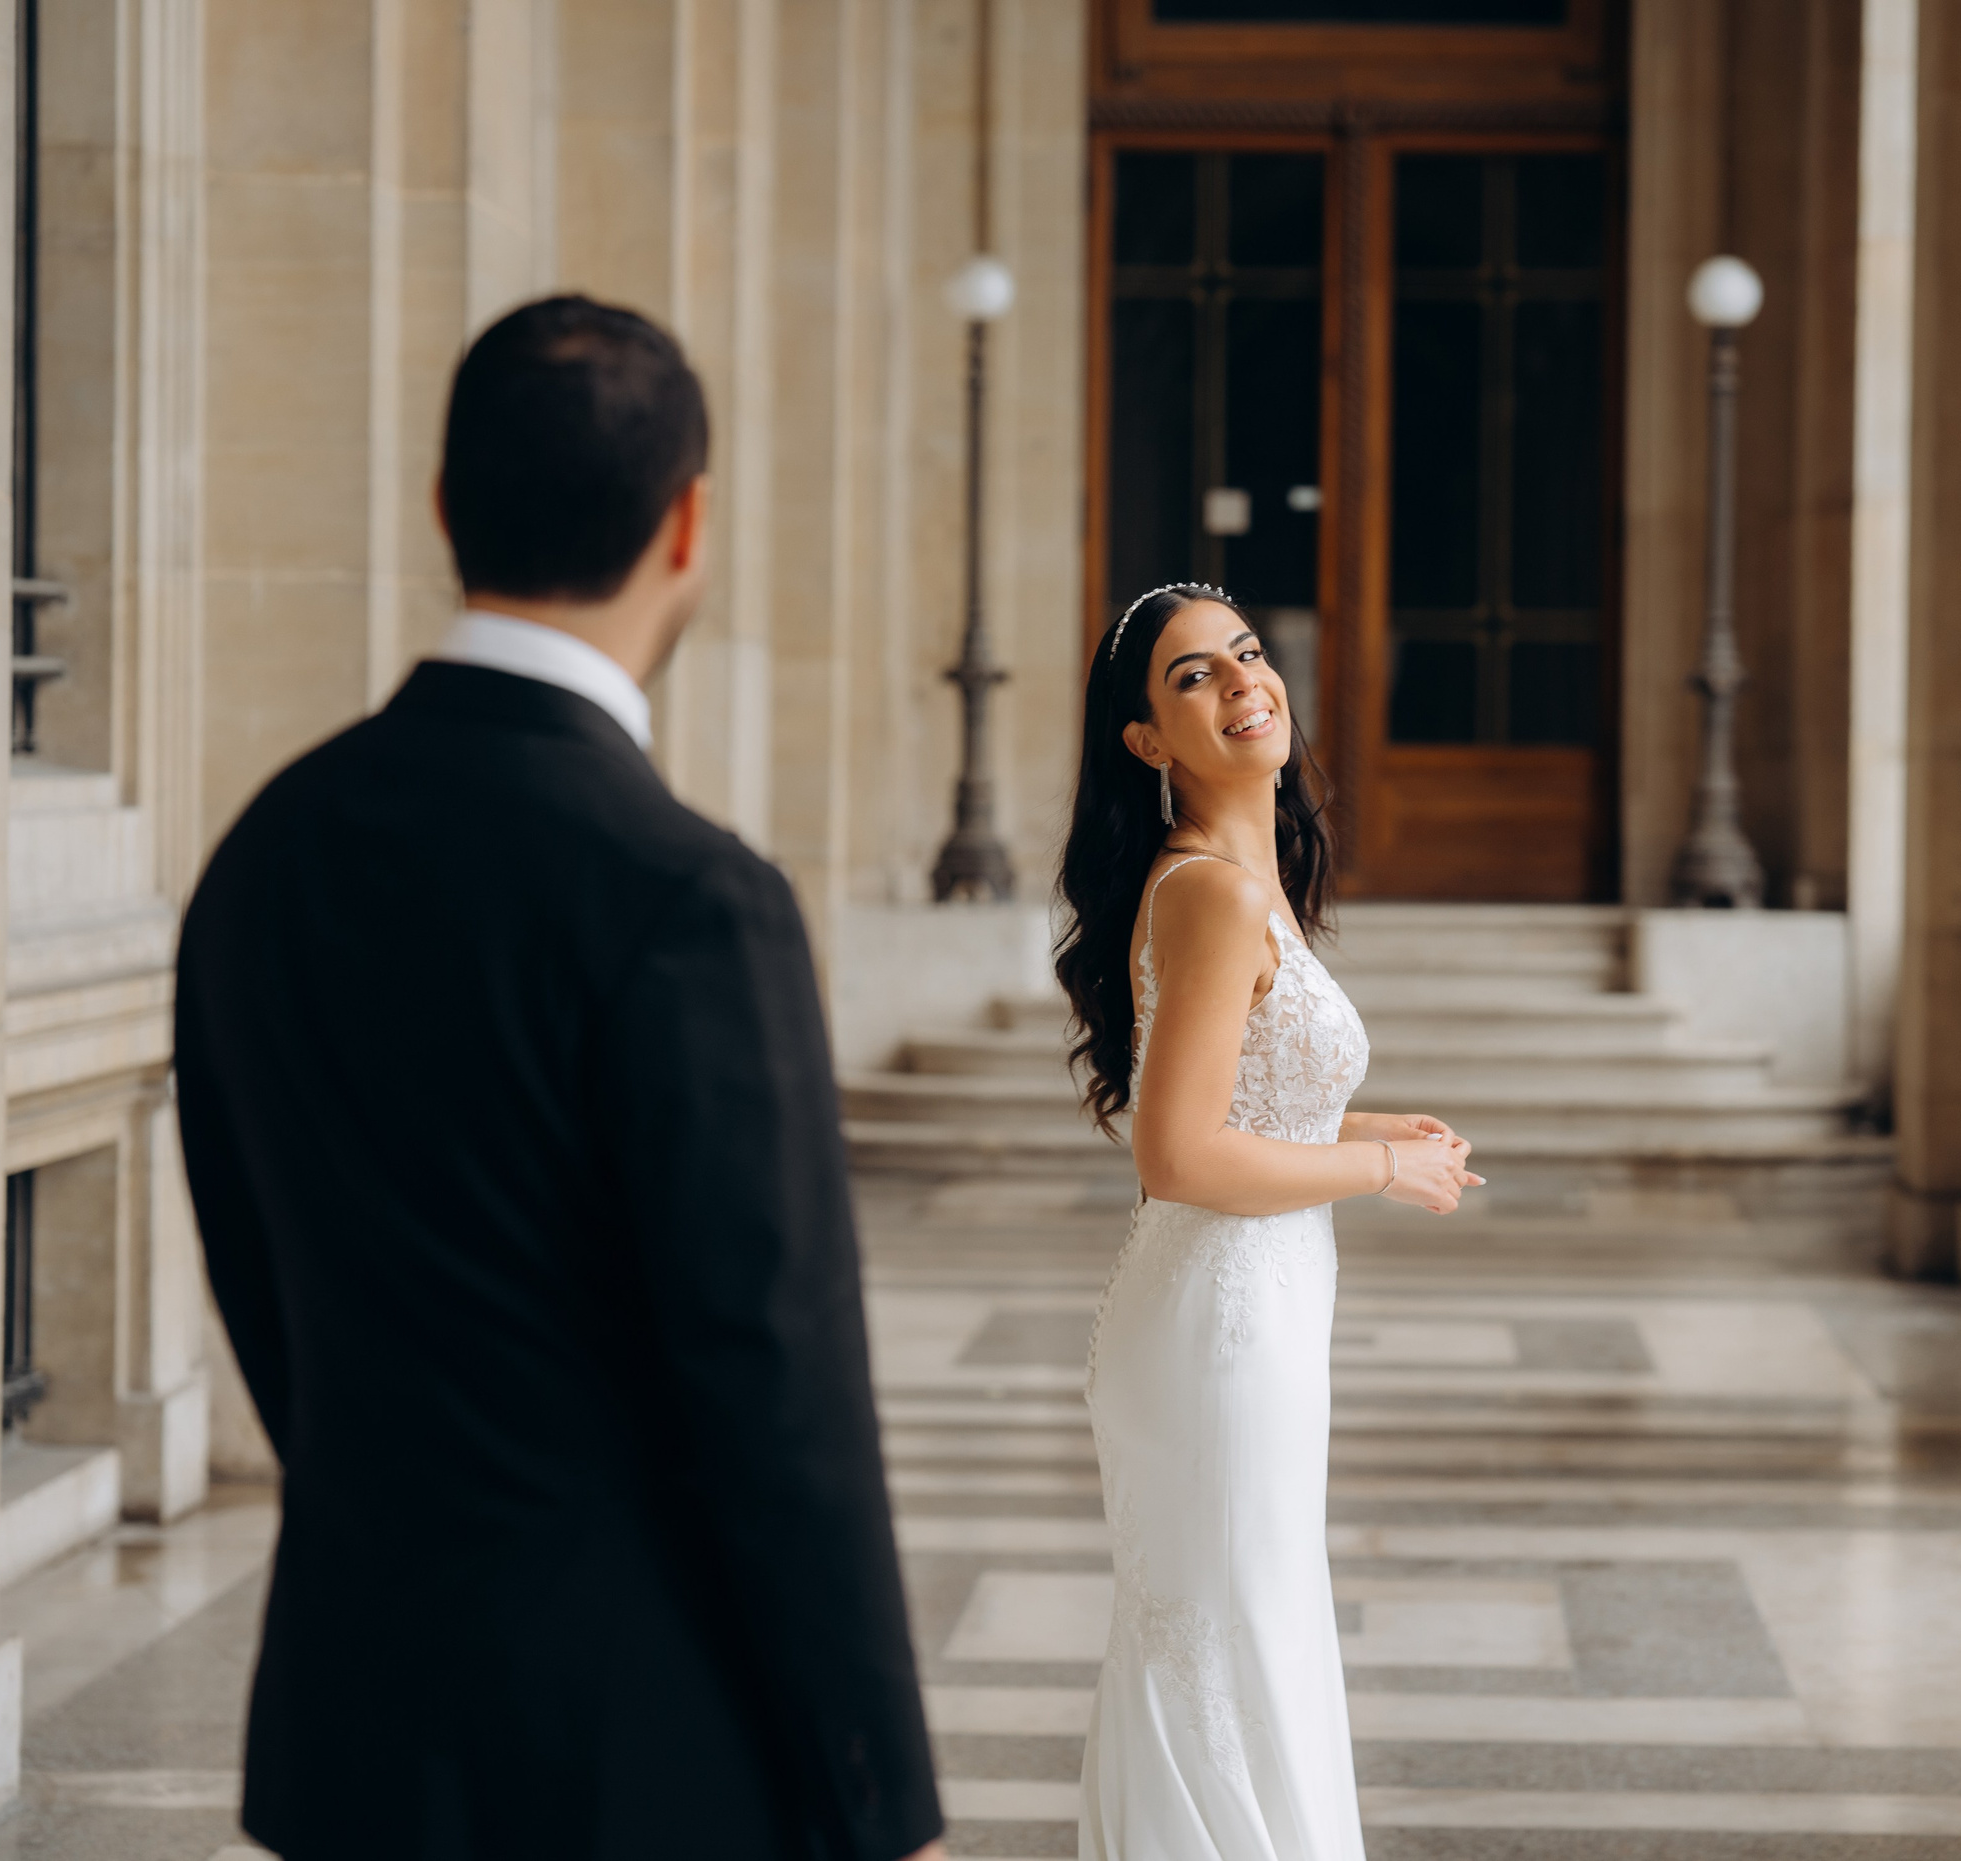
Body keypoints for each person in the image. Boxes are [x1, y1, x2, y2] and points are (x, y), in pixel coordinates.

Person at [174, 296, 945, 1861]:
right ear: (690, 527)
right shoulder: (692, 897)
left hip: (355, 1736)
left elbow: (260, 1281)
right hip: (637, 1756)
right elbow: (779, 1389)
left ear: (447, 504)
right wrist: (885, 1801)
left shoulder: (266, 850)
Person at [1055, 583, 1482, 1861]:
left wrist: (1378, 1131)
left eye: (1247, 654)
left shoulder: (1247, 882)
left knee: (1243, 1639)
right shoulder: (1212, 895)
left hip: (1252, 1312)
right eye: (1194, 676)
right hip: (1219, 1330)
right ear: (1145, 740)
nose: (1244, 682)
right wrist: (1376, 1176)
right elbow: (1176, 1152)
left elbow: (1249, 1105)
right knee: (1227, 1649)